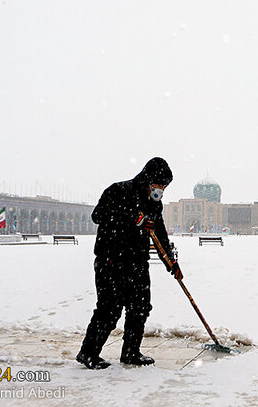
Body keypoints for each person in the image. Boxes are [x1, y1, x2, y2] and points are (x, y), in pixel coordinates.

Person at [76, 157, 182, 370]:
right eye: (158, 184)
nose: (161, 189)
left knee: (140, 307)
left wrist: (171, 262)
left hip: (137, 262)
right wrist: (132, 217)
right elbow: (98, 215)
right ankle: (88, 353)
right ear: (148, 179)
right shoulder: (118, 191)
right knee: (109, 309)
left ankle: (131, 352)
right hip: (112, 261)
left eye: (164, 186)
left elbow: (159, 234)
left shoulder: (154, 204)